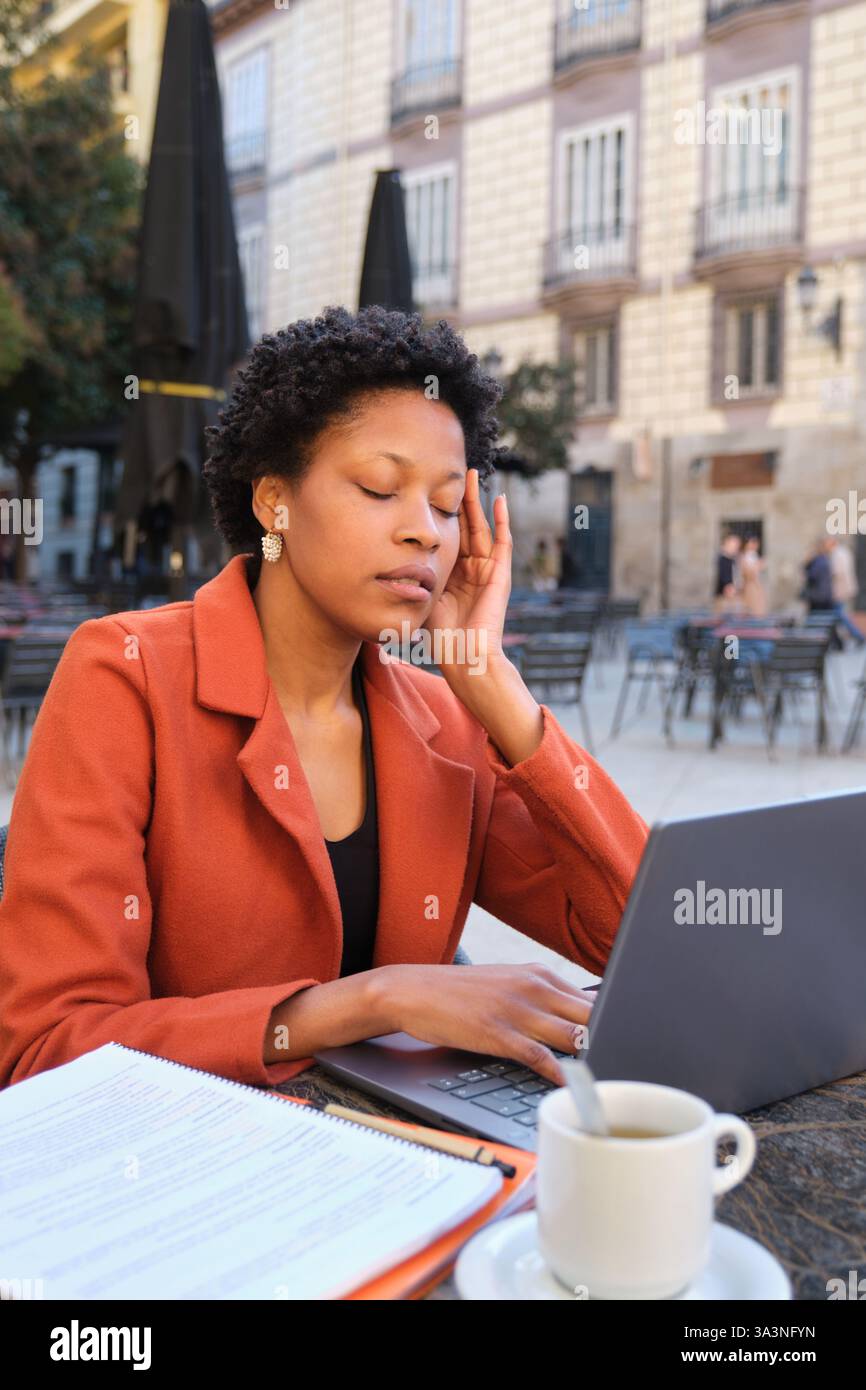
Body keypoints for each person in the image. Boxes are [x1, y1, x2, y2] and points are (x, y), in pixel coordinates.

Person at [0, 305, 648, 1094]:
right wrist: (368, 1002)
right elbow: (49, 1049)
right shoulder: (126, 676)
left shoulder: (443, 721)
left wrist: (489, 684)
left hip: (412, 1165)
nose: (426, 534)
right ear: (274, 501)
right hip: (189, 1174)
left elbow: (646, 942)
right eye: (380, 488)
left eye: (448, 507)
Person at [827, 536, 865, 647]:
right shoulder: (842, 552)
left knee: (840, 615)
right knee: (838, 614)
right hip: (844, 589)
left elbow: (837, 573)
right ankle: (838, 640)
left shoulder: (837, 554)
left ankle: (858, 636)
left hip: (840, 590)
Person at [739, 535, 768, 617]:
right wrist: (758, 566)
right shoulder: (744, 557)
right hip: (750, 587)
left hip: (757, 587)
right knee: (751, 612)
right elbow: (748, 574)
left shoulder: (754, 556)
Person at [714, 532, 742, 615]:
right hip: (724, 595)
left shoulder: (733, 559)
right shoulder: (723, 558)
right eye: (734, 544)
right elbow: (724, 576)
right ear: (727, 543)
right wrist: (729, 587)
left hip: (732, 594)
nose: (736, 547)